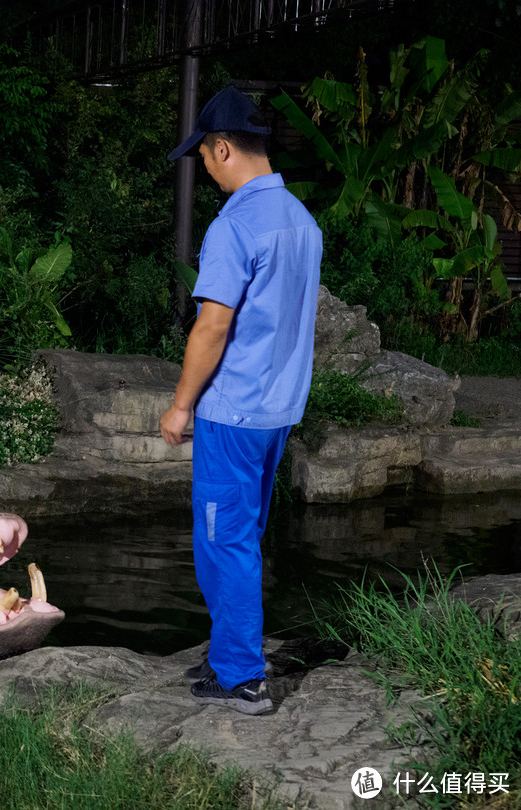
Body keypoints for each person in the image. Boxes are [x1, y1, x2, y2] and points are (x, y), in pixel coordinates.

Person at [160, 86, 321, 715]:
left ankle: (242, 678)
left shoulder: (235, 226)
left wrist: (180, 406)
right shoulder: (301, 221)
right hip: (278, 412)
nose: (202, 166)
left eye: (203, 156)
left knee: (221, 540)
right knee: (243, 535)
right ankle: (233, 650)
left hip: (231, 413)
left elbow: (212, 326)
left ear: (222, 147)